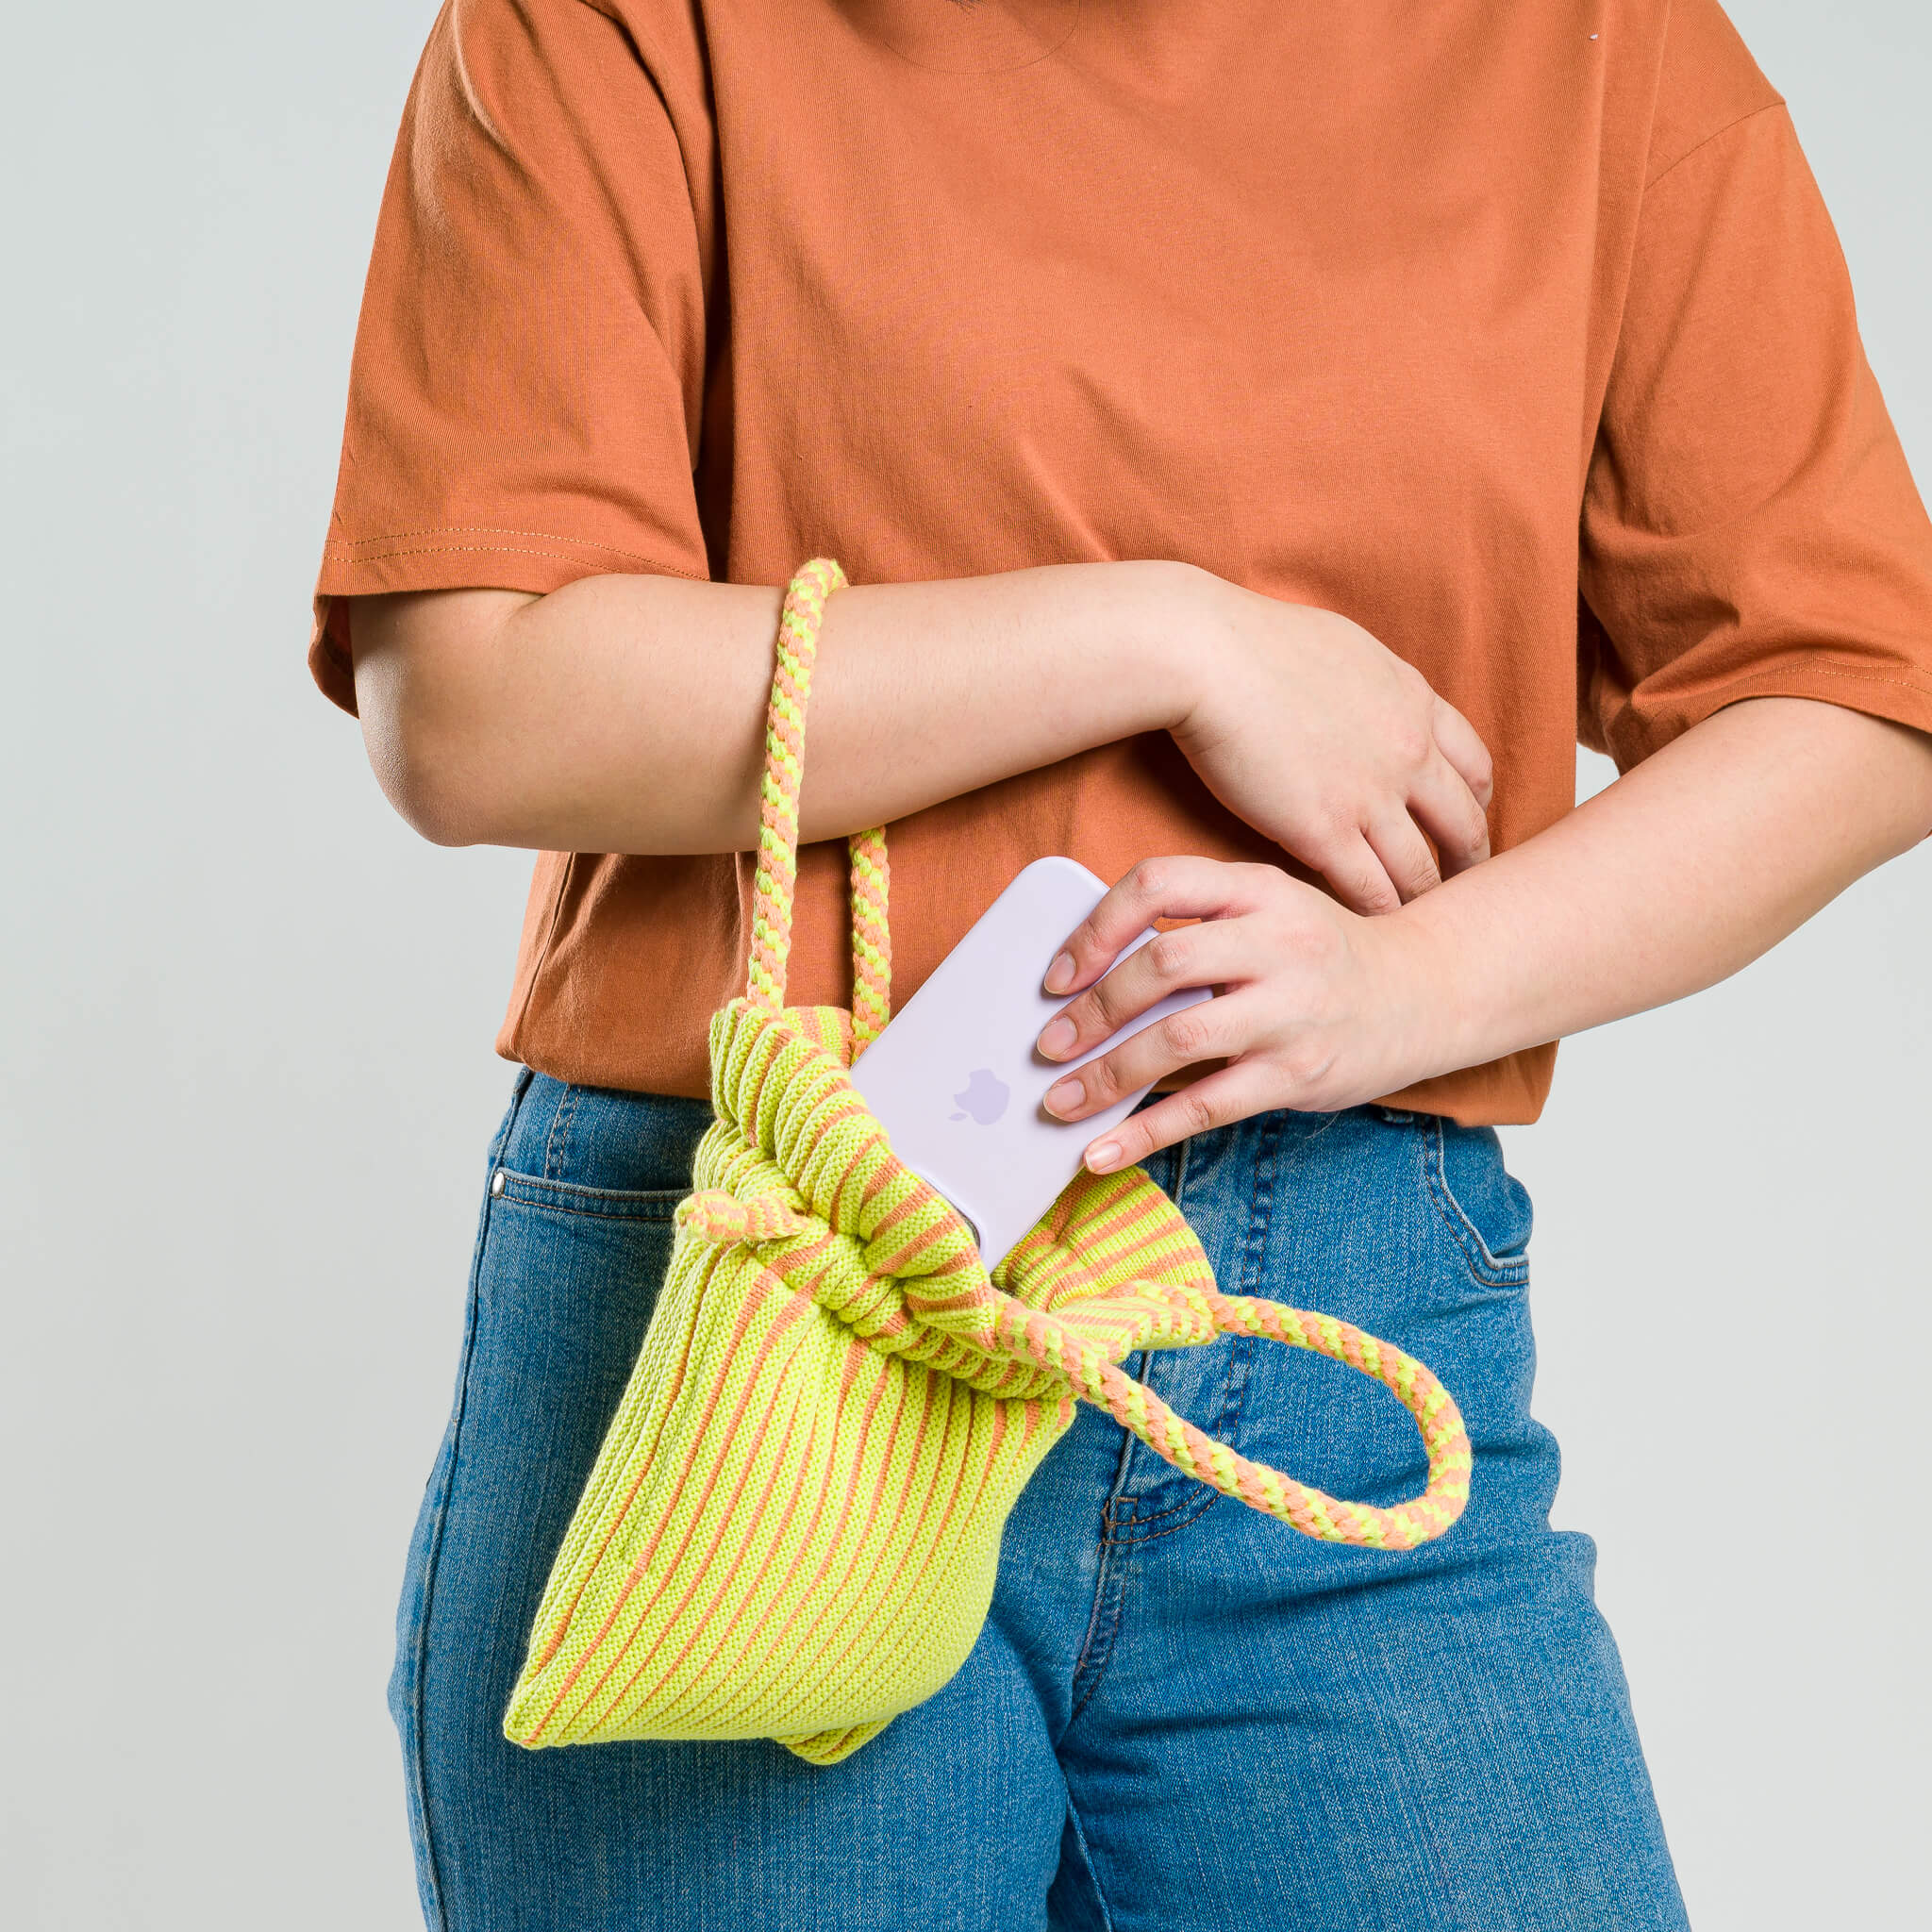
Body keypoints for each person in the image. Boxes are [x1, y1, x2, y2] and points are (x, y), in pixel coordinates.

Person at [310, 2, 1932, 1925]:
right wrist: (1171, 642)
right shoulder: (624, 24)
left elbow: (1846, 689)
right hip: (756, 1315)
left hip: (1337, 1321)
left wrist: (1408, 987)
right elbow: (476, 702)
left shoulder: (1594, 47)